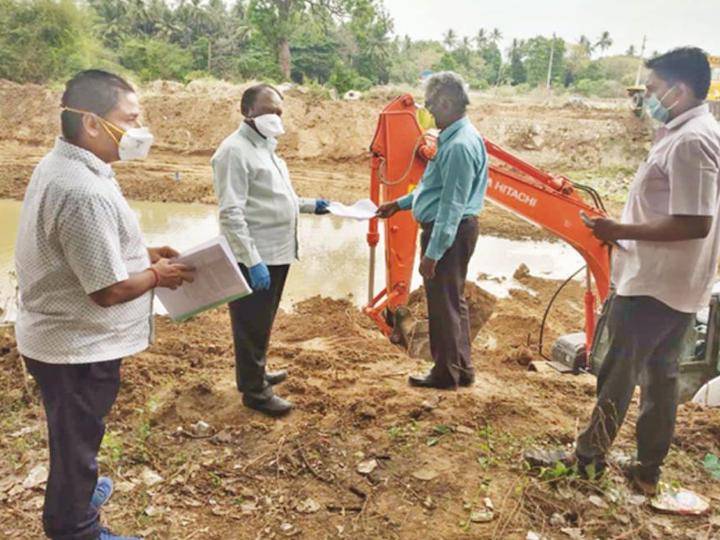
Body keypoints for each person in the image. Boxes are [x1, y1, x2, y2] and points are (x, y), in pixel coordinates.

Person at [14, 70, 194, 540]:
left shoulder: (68, 167)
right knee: (76, 440)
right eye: (130, 119)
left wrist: (144, 255)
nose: (140, 130)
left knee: (76, 436)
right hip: (76, 346)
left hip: (60, 337)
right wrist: (157, 276)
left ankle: (74, 495)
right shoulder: (82, 190)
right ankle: (75, 527)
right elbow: (107, 289)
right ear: (92, 123)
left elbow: (88, 251)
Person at [571, 47, 720, 495]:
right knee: (662, 377)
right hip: (675, 283)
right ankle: (647, 468)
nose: (648, 97)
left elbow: (695, 222)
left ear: (679, 89)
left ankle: (588, 460)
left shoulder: (692, 140)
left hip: (654, 284)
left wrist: (618, 228)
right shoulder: (692, 132)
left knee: (618, 373)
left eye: (653, 89)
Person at [211, 83, 331, 417]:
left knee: (262, 321)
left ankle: (256, 371)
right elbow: (231, 213)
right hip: (256, 256)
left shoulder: (266, 148)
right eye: (268, 110)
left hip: (277, 252)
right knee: (250, 323)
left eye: (279, 111)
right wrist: (252, 260)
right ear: (247, 111)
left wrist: (310, 206)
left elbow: (277, 199)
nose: (276, 117)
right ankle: (254, 392)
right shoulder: (233, 152)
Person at [376, 71, 489, 389]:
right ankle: (461, 369)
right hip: (452, 230)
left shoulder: (458, 147)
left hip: (448, 233)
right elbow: (433, 190)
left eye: (430, 105)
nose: (428, 111)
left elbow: (451, 206)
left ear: (448, 102)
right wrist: (398, 204)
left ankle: (445, 374)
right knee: (454, 303)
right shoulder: (456, 137)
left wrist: (433, 253)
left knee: (442, 306)